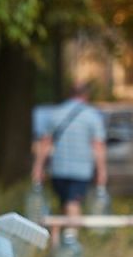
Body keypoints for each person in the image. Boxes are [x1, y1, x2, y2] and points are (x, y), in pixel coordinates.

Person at [31, 81, 107, 218]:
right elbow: (98, 146)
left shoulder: (55, 113)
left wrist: (38, 168)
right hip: (81, 170)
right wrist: (101, 171)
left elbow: (45, 143)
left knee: (65, 203)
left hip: (58, 169)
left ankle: (64, 236)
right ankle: (70, 237)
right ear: (86, 95)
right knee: (73, 203)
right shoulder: (92, 116)